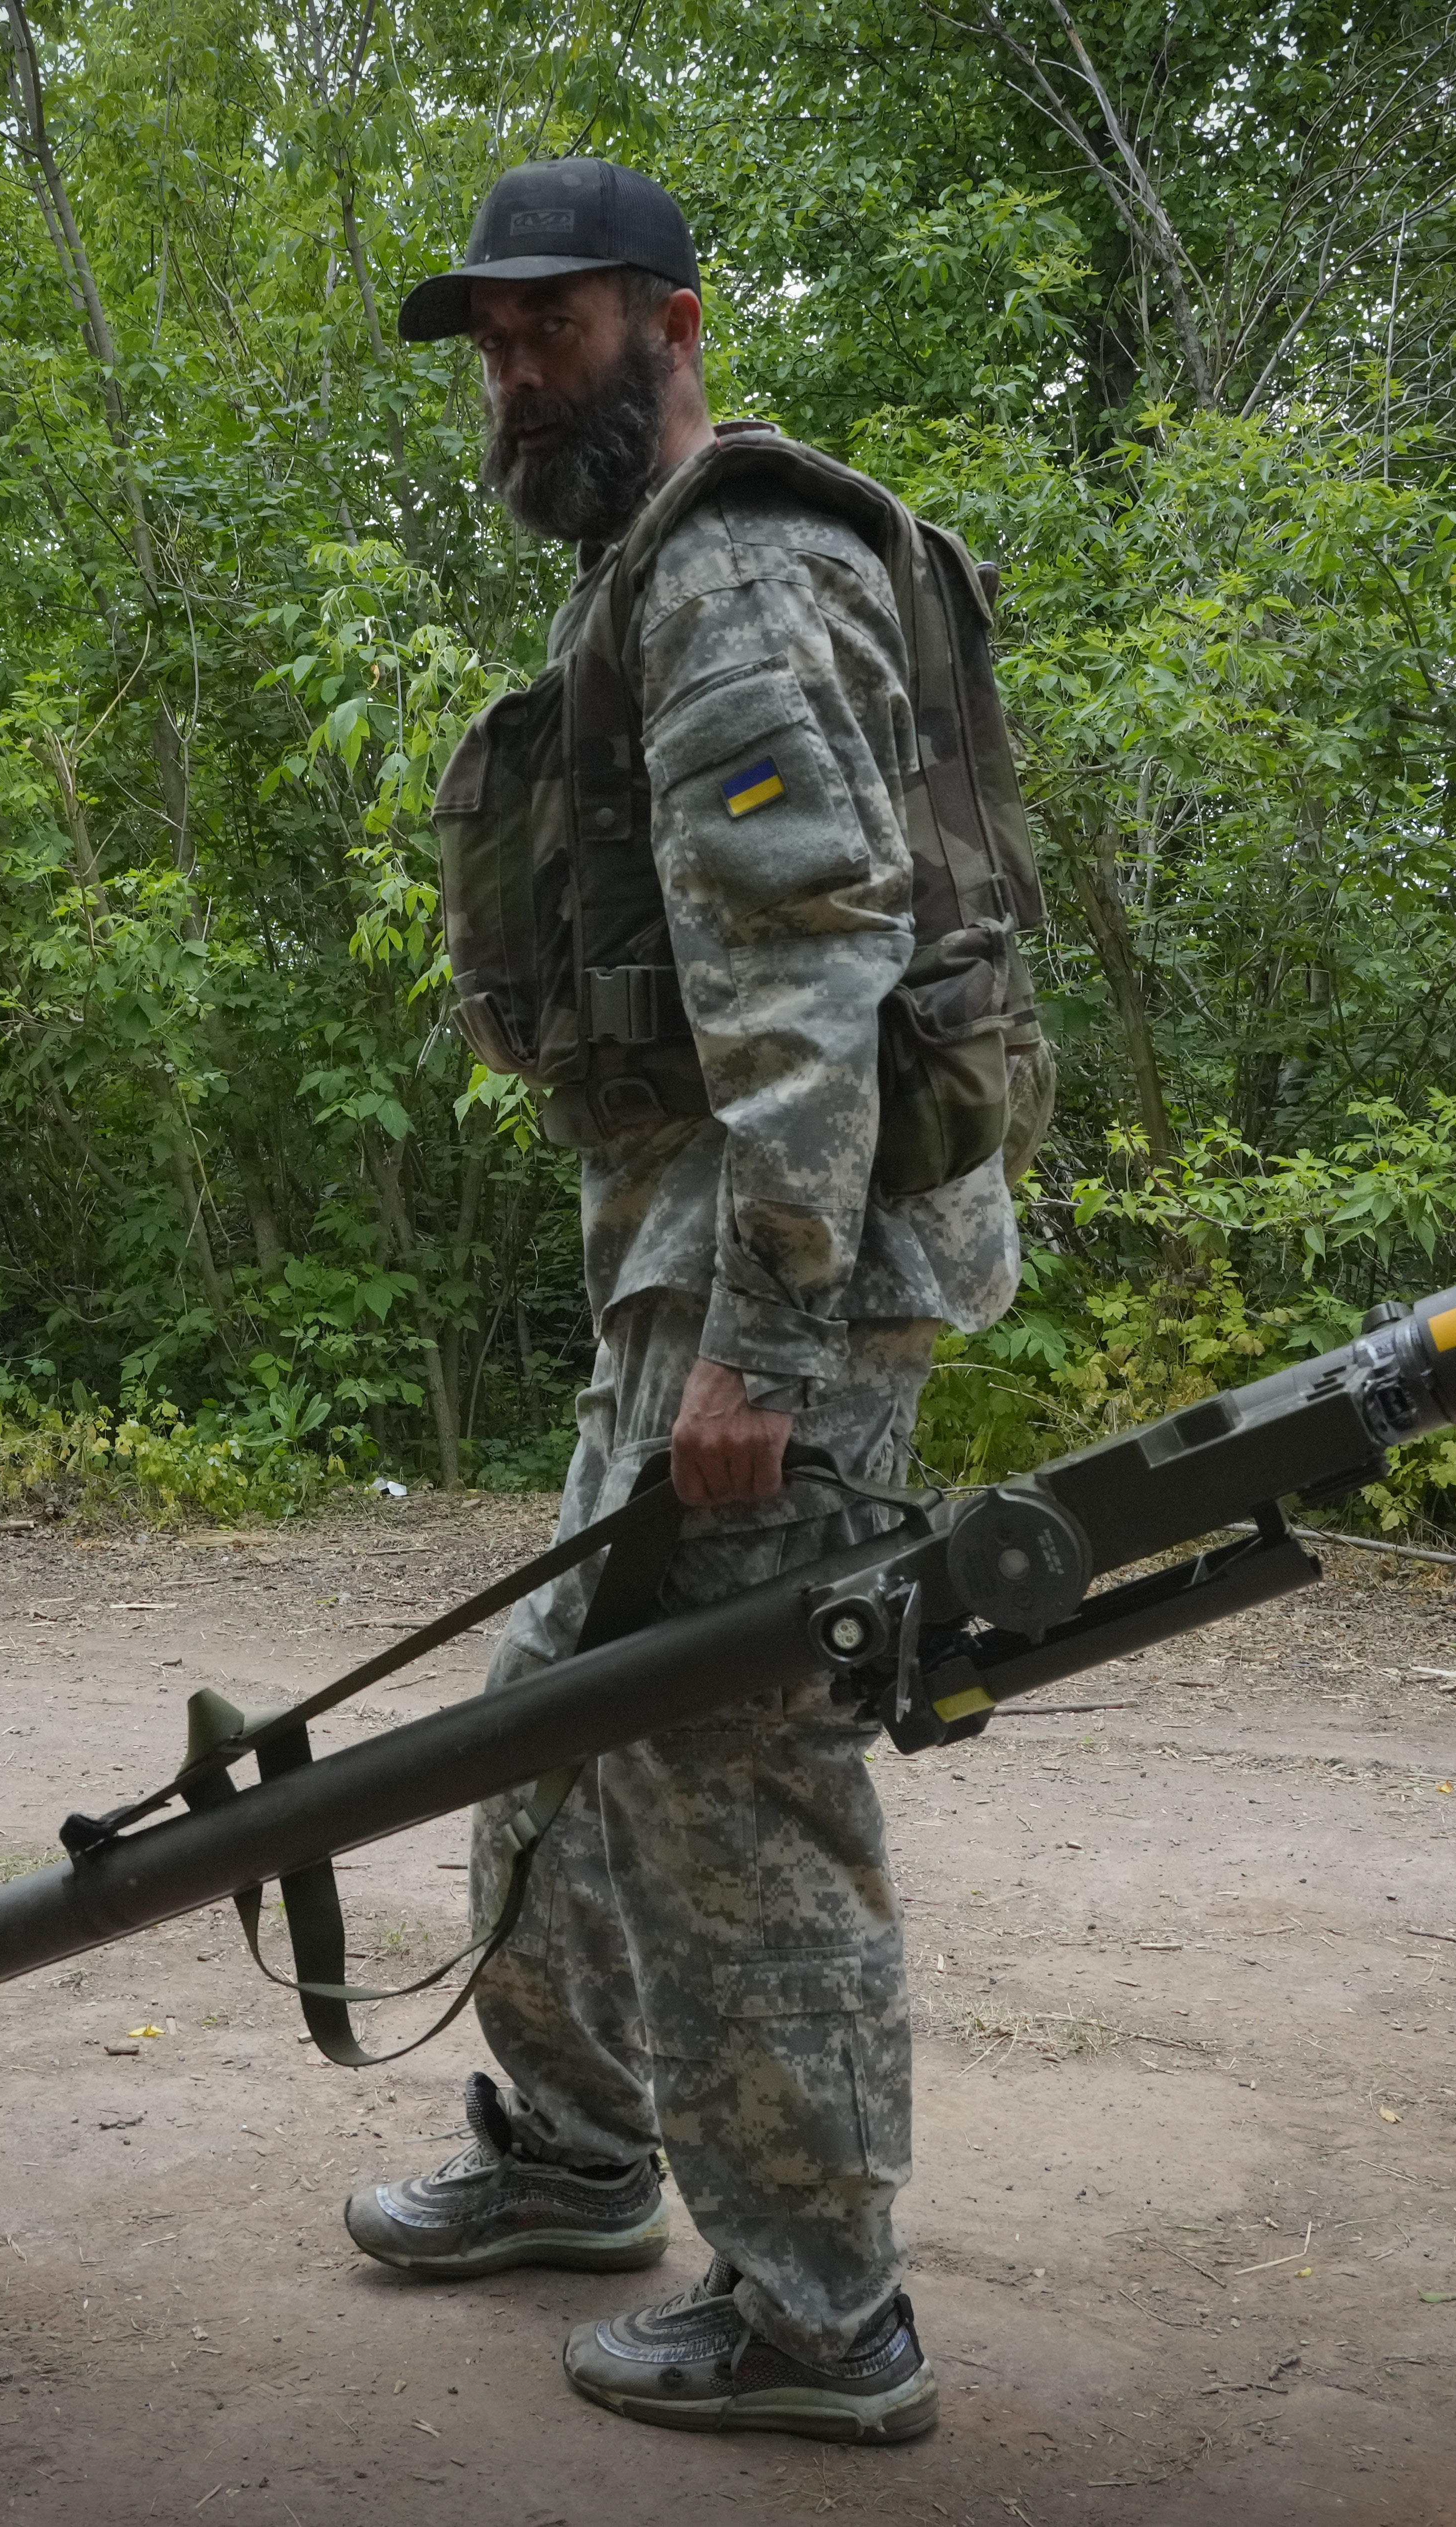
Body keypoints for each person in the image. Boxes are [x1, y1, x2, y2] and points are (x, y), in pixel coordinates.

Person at [340, 157, 1021, 2445]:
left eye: (556, 331)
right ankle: (568, 2151)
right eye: (496, 345)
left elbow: (807, 984)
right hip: (695, 1272)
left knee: (737, 1780)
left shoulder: (731, 575)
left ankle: (825, 2312)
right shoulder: (652, 572)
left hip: (770, 1283)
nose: (516, 375)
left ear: (673, 322)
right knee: (554, 1702)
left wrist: (765, 1341)